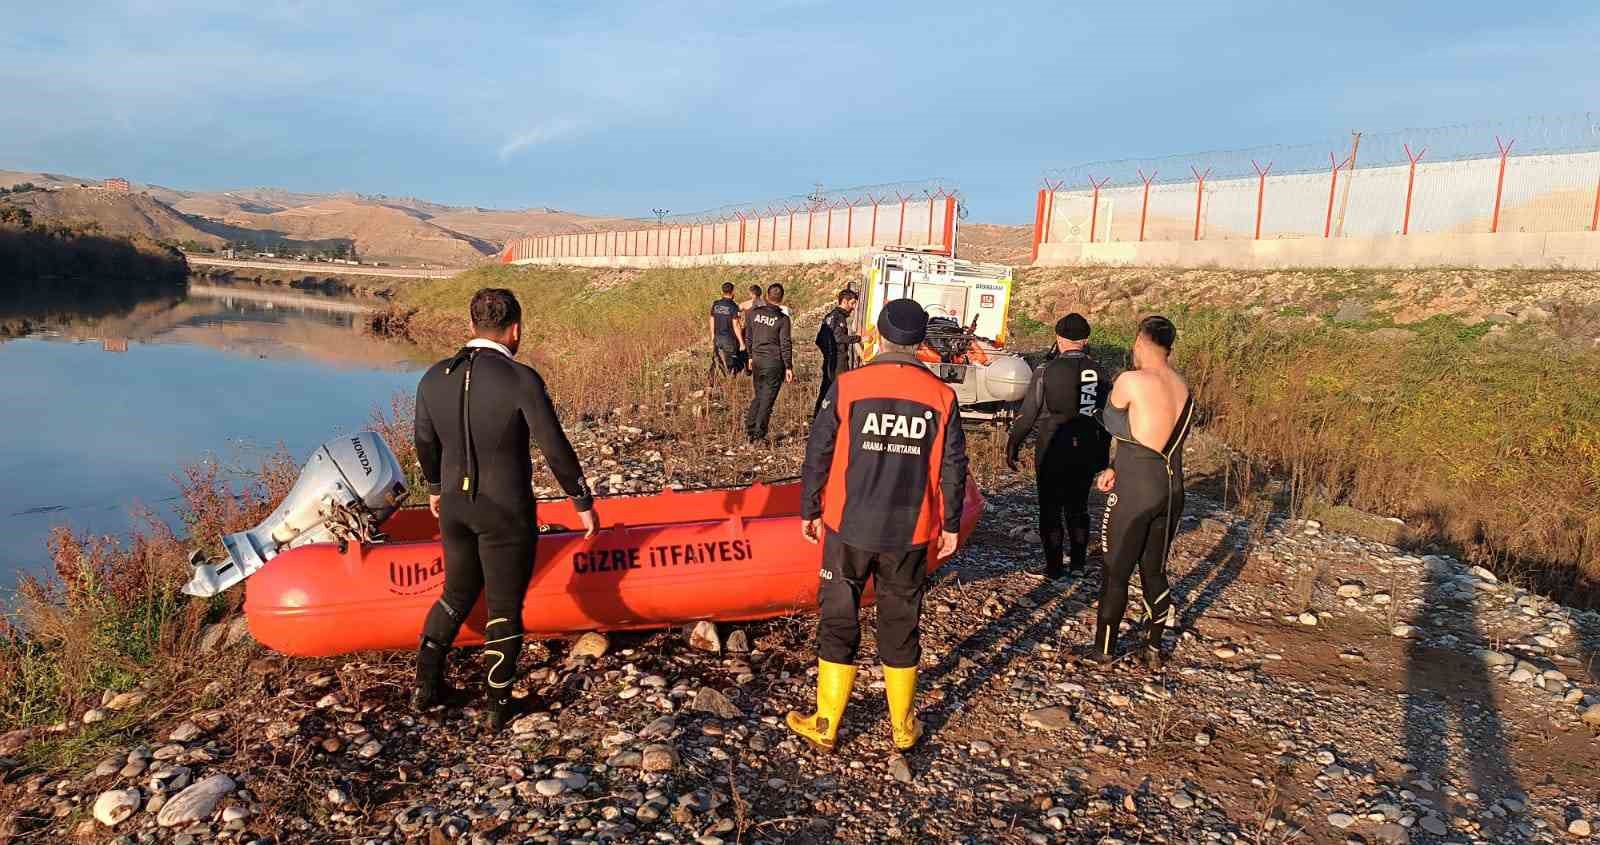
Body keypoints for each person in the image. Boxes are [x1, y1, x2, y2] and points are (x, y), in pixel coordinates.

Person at [412, 288, 600, 729]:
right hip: (505, 510)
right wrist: (581, 500)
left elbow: (424, 440)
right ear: (515, 329)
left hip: (455, 507)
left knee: (455, 595)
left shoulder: (433, 376)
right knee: (504, 607)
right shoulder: (520, 378)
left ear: (469, 325)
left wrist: (437, 487)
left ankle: (425, 688)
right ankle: (497, 706)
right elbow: (554, 445)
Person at [788, 298, 970, 753]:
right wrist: (950, 522)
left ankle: (827, 722)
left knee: (838, 617)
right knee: (901, 621)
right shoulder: (942, 396)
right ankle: (903, 728)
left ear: (878, 334)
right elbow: (954, 467)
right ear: (921, 341)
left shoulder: (848, 385)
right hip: (910, 531)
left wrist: (809, 509)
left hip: (847, 526)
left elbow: (819, 453)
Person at [1088, 315, 1193, 669]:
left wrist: (1115, 467)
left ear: (1139, 342)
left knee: (1116, 570)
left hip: (1136, 489)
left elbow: (1113, 424)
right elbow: (1156, 437)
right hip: (1171, 487)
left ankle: (1103, 650)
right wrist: (1116, 467)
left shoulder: (1131, 380)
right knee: (1154, 570)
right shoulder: (1183, 386)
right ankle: (1153, 646)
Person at [1005, 313, 1111, 578]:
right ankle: (1078, 565)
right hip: (1087, 444)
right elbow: (1106, 418)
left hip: (1053, 443)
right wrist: (1103, 456)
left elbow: (1028, 413)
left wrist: (1013, 444)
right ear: (1086, 340)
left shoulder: (1046, 370)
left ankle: (1053, 568)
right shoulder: (1099, 371)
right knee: (1079, 506)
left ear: (1059, 338)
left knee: (1050, 507)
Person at [743, 283, 794, 443]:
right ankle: (758, 434)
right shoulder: (783, 319)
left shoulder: (753, 313)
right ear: (782, 297)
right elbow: (785, 343)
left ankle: (751, 428)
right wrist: (788, 366)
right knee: (768, 399)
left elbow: (748, 337)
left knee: (759, 395)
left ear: (766, 295)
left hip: (757, 360)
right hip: (774, 362)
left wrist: (750, 357)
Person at [813, 289, 860, 417]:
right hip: (838, 361)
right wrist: (859, 338)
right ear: (844, 301)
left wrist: (828, 355)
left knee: (826, 389)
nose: (854, 307)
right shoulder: (838, 317)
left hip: (831, 360)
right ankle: (835, 416)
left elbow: (819, 340)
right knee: (839, 389)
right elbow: (838, 338)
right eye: (852, 303)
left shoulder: (830, 316)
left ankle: (818, 415)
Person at [709, 282, 747, 377]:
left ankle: (714, 382)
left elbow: (712, 320)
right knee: (731, 367)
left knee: (718, 362)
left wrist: (713, 335)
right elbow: (736, 326)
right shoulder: (733, 306)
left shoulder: (716, 304)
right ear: (733, 292)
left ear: (722, 291)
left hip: (717, 339)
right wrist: (741, 343)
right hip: (729, 341)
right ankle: (731, 384)